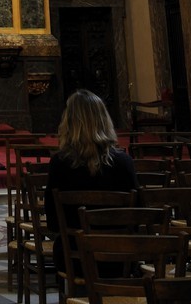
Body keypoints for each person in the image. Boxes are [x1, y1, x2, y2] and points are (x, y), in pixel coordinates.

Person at [44, 90, 137, 239]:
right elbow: (137, 216)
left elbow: (53, 223)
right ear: (104, 120)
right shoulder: (124, 162)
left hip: (73, 249)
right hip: (118, 247)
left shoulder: (60, 163)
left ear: (69, 122)